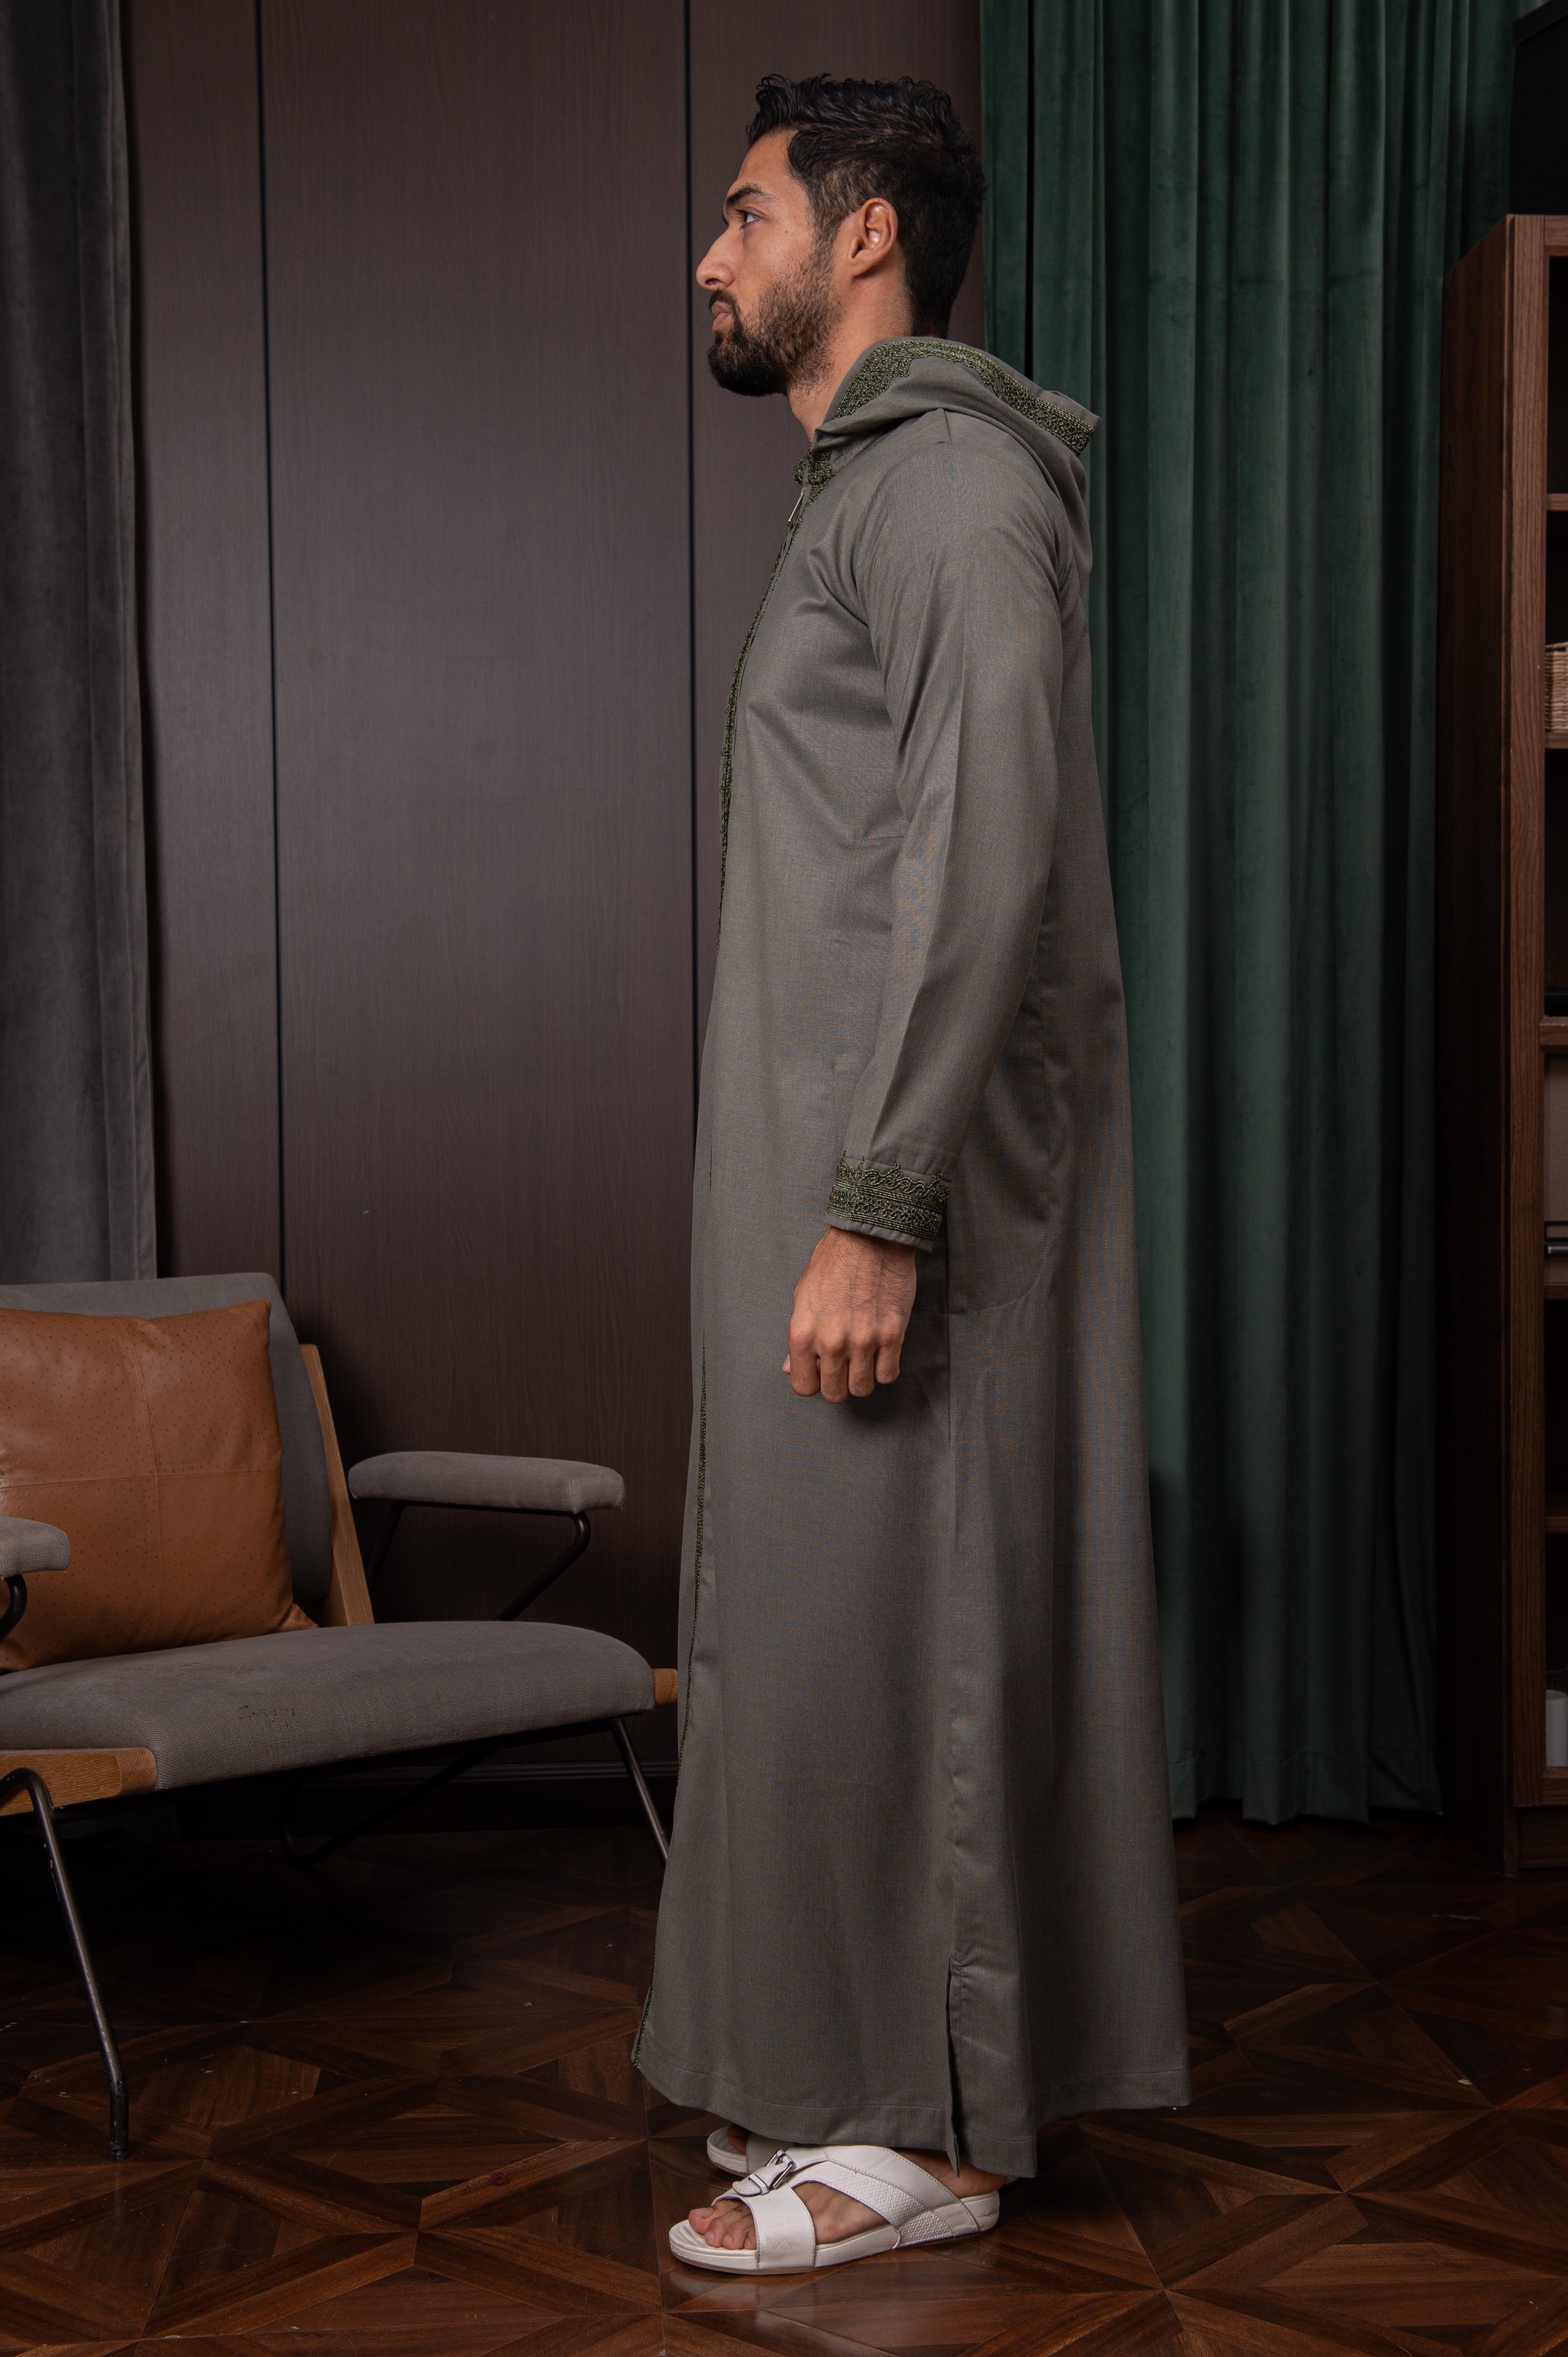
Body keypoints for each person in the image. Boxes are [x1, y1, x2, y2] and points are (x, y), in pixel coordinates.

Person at [634, 72, 1188, 2277]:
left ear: (864, 237)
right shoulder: (872, 488)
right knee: (825, 1629)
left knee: (909, 1630)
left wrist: (878, 1202)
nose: (709, 255)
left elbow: (985, 849)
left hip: (897, 1202)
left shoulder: (947, 483)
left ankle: (928, 2135)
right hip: (825, 1181)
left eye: (744, 214)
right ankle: (847, 2070)